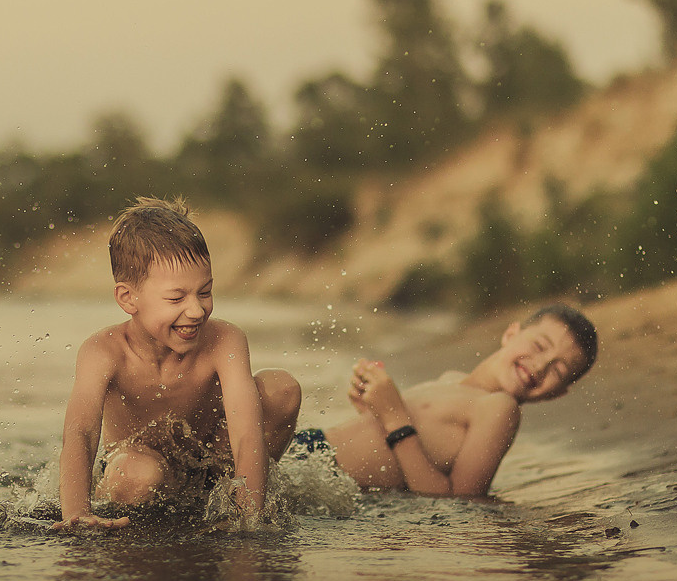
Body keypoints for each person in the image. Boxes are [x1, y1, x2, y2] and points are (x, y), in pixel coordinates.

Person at [54, 197, 301, 530]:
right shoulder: (103, 352)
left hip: (210, 463)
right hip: (137, 467)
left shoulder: (224, 341)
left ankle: (235, 495)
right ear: (129, 298)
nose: (197, 310)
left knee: (281, 388)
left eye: (205, 292)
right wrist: (75, 513)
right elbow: (80, 431)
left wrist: (248, 518)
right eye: (176, 298)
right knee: (137, 473)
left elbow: (247, 433)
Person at [292, 304, 597, 498]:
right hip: (311, 454)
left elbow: (459, 502)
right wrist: (370, 408)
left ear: (556, 393)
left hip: (319, 471)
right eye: (539, 345)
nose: (540, 365)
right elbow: (400, 449)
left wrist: (395, 417)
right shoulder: (451, 378)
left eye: (558, 370)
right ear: (510, 333)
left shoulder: (499, 408)